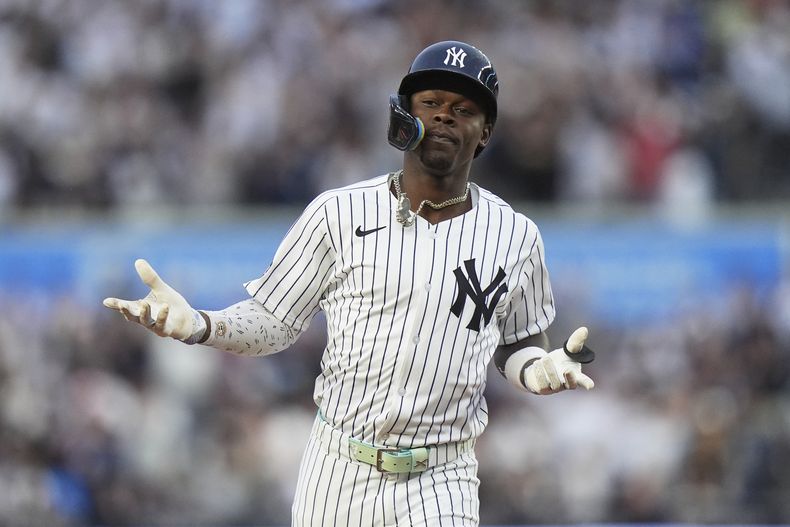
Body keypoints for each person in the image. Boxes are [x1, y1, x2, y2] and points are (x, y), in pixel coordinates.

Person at [103, 40, 595, 526]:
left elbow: (517, 344)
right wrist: (199, 323)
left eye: (463, 109)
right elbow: (275, 321)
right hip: (338, 467)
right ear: (403, 115)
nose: (445, 116)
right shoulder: (337, 212)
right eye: (431, 102)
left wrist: (538, 370)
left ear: (484, 132)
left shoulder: (516, 235)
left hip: (443, 476)